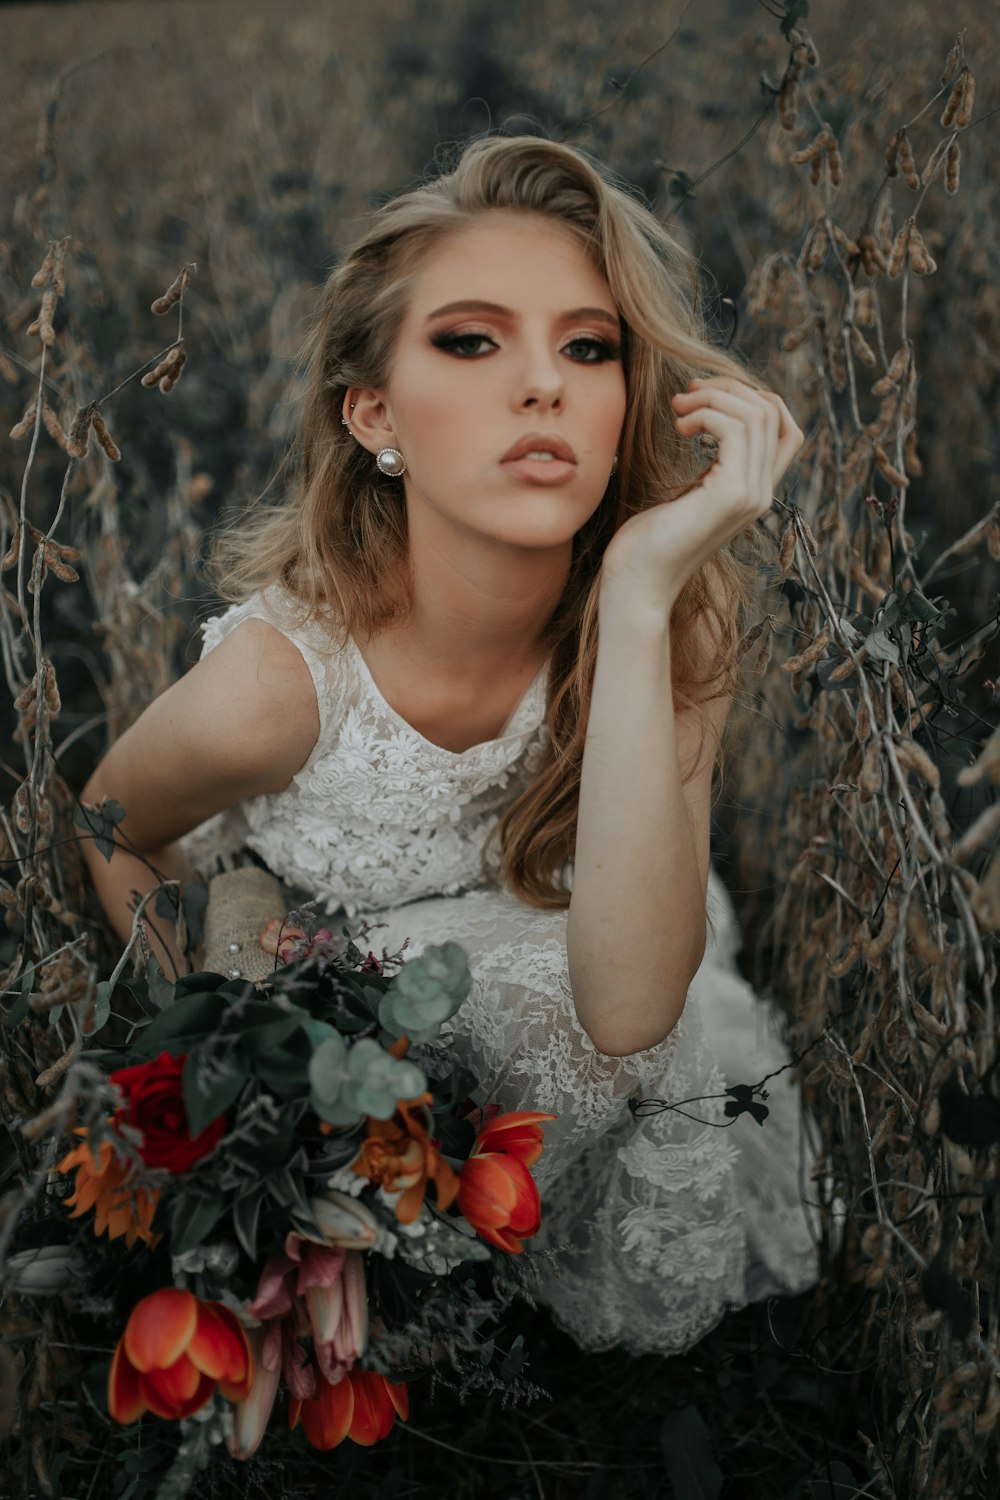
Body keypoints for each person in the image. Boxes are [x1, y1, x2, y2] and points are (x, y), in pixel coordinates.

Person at [81, 134, 820, 1354]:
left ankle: (515, 1279)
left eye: (589, 347)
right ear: (374, 412)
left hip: (594, 942)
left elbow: (631, 1004)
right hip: (348, 983)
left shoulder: (675, 606)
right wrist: (229, 1039)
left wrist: (638, 593)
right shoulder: (277, 685)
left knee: (635, 1025)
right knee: (528, 1025)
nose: (544, 387)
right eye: (470, 342)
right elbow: (107, 825)